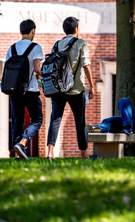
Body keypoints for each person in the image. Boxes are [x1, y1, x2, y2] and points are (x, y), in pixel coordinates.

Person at [46, 17, 95, 160]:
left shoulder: (56, 45)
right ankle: (84, 154)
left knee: (55, 119)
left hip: (58, 89)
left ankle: (50, 152)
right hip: (76, 89)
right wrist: (91, 86)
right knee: (80, 121)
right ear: (76, 29)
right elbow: (85, 64)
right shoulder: (81, 43)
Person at [6, 19, 44, 160]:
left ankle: (17, 154)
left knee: (17, 121)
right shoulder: (35, 47)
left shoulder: (12, 48)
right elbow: (37, 69)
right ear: (33, 31)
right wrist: (44, 75)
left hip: (15, 90)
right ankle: (22, 143)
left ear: (20, 31)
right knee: (37, 119)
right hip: (31, 90)